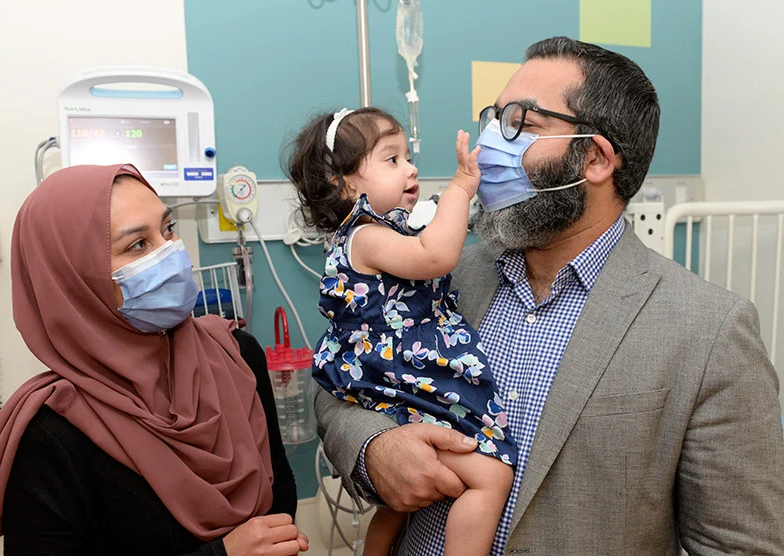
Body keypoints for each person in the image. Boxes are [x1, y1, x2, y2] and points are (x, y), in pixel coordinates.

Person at [316, 36, 784, 554]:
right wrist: (373, 448)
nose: (489, 142)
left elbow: (740, 544)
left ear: (595, 158)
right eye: (494, 118)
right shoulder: (441, 279)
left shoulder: (710, 332)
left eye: (521, 123)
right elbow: (341, 381)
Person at [0, 164, 309, 556]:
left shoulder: (237, 354)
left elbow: (281, 497)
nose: (171, 253)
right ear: (76, 281)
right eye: (138, 245)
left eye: (168, 229)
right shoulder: (51, 438)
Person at [287, 107, 516, 555]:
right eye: (392, 159)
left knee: (398, 505)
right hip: (397, 373)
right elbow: (436, 256)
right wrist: (461, 189)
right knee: (492, 476)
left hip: (384, 372)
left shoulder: (379, 231)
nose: (410, 169)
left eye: (408, 157)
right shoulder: (366, 236)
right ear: (344, 185)